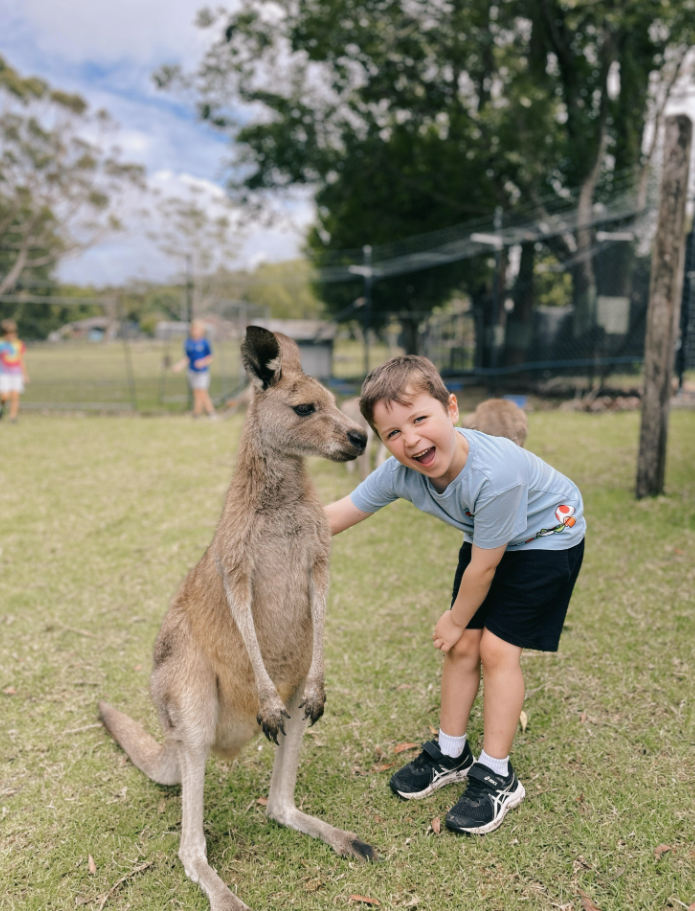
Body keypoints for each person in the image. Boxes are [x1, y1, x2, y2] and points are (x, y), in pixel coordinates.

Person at [325, 356, 585, 835]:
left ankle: (498, 775)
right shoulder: (400, 472)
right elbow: (337, 515)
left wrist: (453, 617)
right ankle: (450, 752)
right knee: (464, 647)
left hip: (548, 535)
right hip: (491, 536)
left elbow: (485, 568)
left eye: (420, 419)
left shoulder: (495, 473)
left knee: (495, 649)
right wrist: (270, 535)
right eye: (393, 433)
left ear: (452, 409)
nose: (411, 440)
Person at [172, 319, 216, 418]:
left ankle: (210, 412)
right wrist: (178, 366)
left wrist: (202, 362)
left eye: (197, 329)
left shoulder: (205, 343)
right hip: (192, 371)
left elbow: (210, 357)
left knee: (202, 391)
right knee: (196, 392)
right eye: (193, 329)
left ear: (201, 331)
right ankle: (197, 413)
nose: (194, 331)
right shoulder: (188, 343)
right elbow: (187, 358)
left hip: (202, 372)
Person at [0, 319, 29, 423]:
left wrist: (25, 375)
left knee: (15, 395)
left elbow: (21, 360)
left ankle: (13, 417)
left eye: (13, 333)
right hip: (3, 374)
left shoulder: (19, 344)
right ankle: (1, 407)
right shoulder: (1, 343)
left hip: (16, 374)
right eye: (8, 333)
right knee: (5, 396)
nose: (11, 336)